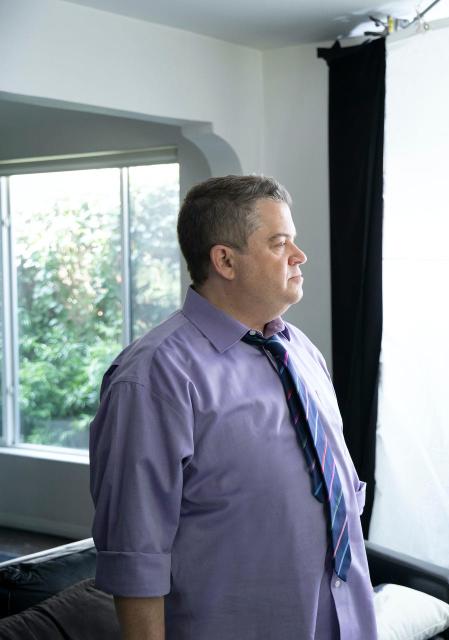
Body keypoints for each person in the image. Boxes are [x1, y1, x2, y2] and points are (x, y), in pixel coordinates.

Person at [88, 175, 377, 639]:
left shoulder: (299, 349)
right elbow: (136, 558)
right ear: (224, 259)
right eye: (280, 243)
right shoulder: (153, 378)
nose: (299, 256)